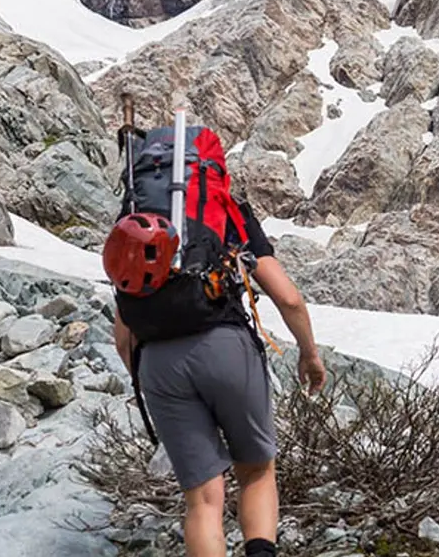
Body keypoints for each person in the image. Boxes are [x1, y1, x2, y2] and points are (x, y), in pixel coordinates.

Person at [111, 171, 327, 557]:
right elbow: (288, 298)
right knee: (257, 471)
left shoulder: (136, 218)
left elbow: (124, 337)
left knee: (203, 500)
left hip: (158, 363)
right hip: (226, 347)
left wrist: (150, 384)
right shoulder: (227, 210)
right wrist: (309, 354)